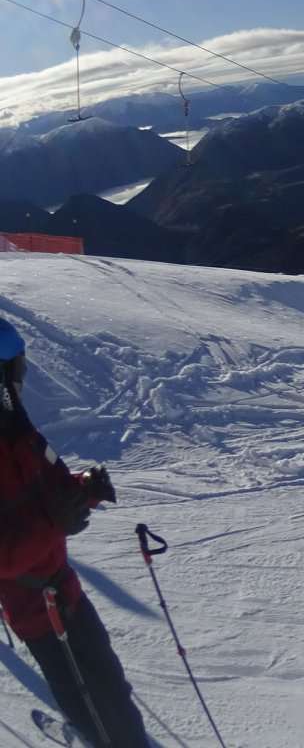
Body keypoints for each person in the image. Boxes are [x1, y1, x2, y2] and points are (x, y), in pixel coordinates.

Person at [0, 319, 151, 748]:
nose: (20, 379)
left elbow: (50, 491)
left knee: (111, 689)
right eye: (14, 370)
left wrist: (85, 489)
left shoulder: (18, 430)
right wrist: (57, 521)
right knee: (97, 706)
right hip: (36, 608)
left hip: (64, 590)